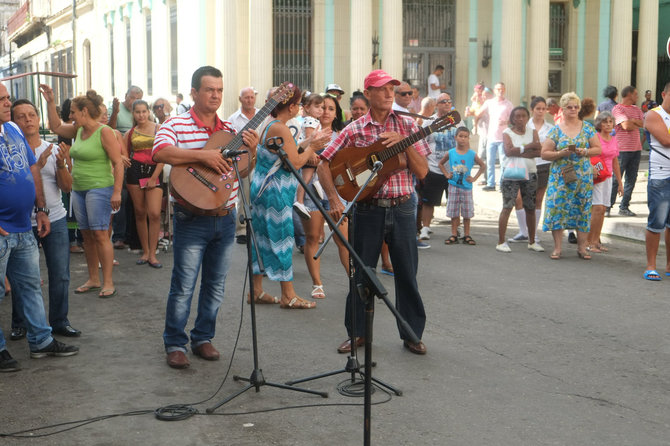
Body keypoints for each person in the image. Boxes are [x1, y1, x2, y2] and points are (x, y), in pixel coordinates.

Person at [152, 66, 259, 369]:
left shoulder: (229, 130)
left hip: (225, 218)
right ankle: (175, 342)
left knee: (215, 284)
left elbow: (238, 174)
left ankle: (203, 337)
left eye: (220, 90)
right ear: (194, 93)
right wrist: (203, 155)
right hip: (191, 216)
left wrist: (252, 152)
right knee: (184, 284)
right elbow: (160, 153)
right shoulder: (177, 123)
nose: (215, 95)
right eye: (209, 89)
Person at [318, 69, 430, 355]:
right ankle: (357, 334)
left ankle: (411, 334)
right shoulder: (355, 128)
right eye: (382, 88)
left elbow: (423, 171)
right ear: (368, 93)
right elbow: (323, 164)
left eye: (392, 88)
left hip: (403, 207)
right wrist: (334, 199)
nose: (389, 93)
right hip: (367, 210)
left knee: (407, 274)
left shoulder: (407, 124)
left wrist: (404, 144)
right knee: (361, 274)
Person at [0, 83, 79, 372]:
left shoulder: (11, 131)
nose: (8, 104)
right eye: (3, 100)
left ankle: (42, 341)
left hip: (25, 224)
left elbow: (32, 169)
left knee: (31, 285)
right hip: (3, 229)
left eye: (8, 98)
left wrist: (42, 209)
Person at [41, 85, 124, 298]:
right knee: (86, 236)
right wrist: (50, 102)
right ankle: (93, 279)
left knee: (100, 234)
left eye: (73, 112)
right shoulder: (78, 130)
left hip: (100, 188)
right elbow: (56, 127)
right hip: (79, 189)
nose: (71, 116)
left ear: (84, 112)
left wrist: (116, 192)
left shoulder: (104, 132)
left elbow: (118, 163)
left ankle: (108, 282)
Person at [249, 84, 318, 308]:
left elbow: (288, 151)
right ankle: (288, 295)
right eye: (298, 104)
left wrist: (306, 143)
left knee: (260, 239)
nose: (299, 108)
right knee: (282, 239)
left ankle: (256, 290)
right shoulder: (280, 127)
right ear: (291, 106)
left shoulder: (270, 123)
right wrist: (313, 146)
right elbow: (296, 162)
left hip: (262, 188)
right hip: (275, 191)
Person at [541, 92, 601, 260]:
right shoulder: (556, 130)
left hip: (583, 177)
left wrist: (586, 151)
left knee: (582, 210)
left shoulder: (587, 128)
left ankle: (582, 248)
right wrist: (561, 153)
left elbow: (598, 148)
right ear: (563, 109)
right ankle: (557, 248)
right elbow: (544, 153)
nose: (573, 109)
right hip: (561, 176)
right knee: (557, 208)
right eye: (570, 107)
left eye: (576, 106)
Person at [301, 94, 348, 301]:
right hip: (310, 188)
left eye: (331, 108)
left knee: (343, 239)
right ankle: (317, 283)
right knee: (312, 238)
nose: (326, 111)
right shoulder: (307, 130)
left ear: (336, 113)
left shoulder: (343, 135)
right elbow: (296, 153)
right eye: (323, 107)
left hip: (336, 191)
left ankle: (354, 281)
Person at [495, 106, 544, 253]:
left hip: (530, 173)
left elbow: (539, 151)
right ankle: (501, 241)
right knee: (508, 205)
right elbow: (508, 151)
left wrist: (519, 150)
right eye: (517, 116)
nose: (520, 119)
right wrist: (528, 147)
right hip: (511, 174)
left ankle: (531, 241)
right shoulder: (507, 132)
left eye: (523, 116)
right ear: (512, 118)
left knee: (530, 206)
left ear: (527, 118)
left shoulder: (533, 132)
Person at [508, 96, 554, 245]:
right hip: (523, 165)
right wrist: (535, 147)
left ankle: (533, 233)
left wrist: (536, 147)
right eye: (538, 109)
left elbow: (549, 147)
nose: (541, 111)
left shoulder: (551, 128)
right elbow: (516, 145)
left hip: (543, 165)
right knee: (519, 198)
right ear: (532, 110)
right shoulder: (524, 125)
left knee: (537, 200)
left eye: (543, 109)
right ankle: (523, 231)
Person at [124, 100, 164, 268]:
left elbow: (163, 154)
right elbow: (123, 154)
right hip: (135, 173)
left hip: (155, 171)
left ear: (148, 112)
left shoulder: (158, 128)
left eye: (143, 111)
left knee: (154, 213)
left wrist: (154, 177)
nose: (141, 115)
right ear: (133, 114)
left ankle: (153, 253)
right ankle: (145, 251)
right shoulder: (130, 133)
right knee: (139, 212)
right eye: (137, 112)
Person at [418, 92, 461, 241]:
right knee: (429, 201)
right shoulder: (429, 122)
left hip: (454, 169)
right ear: (437, 105)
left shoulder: (457, 121)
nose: (447, 104)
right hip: (434, 168)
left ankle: (456, 229)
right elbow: (421, 143)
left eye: (449, 101)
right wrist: (424, 166)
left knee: (455, 200)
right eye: (443, 102)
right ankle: (425, 228)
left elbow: (463, 142)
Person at [642, 82, 670, 281]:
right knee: (656, 222)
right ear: (663, 94)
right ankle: (651, 265)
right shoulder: (654, 114)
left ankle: (669, 264)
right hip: (661, 176)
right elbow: (666, 140)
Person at [439, 127, 485, 245]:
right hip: (453, 186)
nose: (463, 139)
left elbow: (482, 166)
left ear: (468, 138)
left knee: (467, 212)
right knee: (454, 211)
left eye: (465, 136)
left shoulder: (472, 154)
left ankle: (467, 234)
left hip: (466, 187)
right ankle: (454, 234)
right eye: (460, 136)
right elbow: (441, 163)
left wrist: (474, 178)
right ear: (455, 137)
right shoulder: (451, 152)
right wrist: (446, 174)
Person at [227, 87, 260, 245]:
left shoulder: (263, 115)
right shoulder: (233, 119)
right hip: (243, 161)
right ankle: (241, 229)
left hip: (262, 160)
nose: (249, 100)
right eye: (246, 97)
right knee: (244, 194)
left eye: (251, 97)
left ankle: (258, 227)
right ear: (240, 99)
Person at [587, 111, 622, 253]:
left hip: (608, 176)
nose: (608, 124)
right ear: (599, 124)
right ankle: (589, 242)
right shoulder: (595, 138)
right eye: (605, 122)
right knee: (596, 208)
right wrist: (591, 168)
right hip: (597, 176)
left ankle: (596, 240)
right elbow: (587, 155)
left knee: (603, 209)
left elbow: (615, 162)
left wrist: (620, 182)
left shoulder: (613, 139)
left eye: (610, 122)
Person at [292, 93, 328, 219]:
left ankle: (317, 180)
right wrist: (311, 152)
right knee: (305, 178)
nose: (321, 110)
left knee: (311, 173)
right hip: (309, 150)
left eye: (322, 107)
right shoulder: (310, 120)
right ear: (307, 107)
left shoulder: (313, 120)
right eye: (317, 106)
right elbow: (310, 138)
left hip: (311, 149)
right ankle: (300, 201)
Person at [610, 86, 644, 217]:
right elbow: (626, 126)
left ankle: (624, 206)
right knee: (615, 179)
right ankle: (608, 205)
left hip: (636, 149)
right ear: (629, 94)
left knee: (631, 179)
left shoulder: (637, 109)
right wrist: (634, 122)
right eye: (635, 94)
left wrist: (634, 121)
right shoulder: (618, 109)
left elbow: (644, 123)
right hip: (622, 150)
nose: (637, 96)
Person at [476, 82, 514, 191]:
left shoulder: (508, 104)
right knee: (490, 161)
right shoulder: (489, 102)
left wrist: (506, 121)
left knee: (503, 162)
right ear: (494, 90)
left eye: (502, 89)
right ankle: (491, 183)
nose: (500, 91)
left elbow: (514, 118)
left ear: (505, 90)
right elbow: (478, 113)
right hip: (491, 136)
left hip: (503, 137)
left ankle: (503, 184)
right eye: (498, 89)